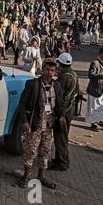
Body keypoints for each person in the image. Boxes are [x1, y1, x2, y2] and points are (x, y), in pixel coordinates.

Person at [18, 58, 67, 189]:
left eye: (52, 70)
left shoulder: (57, 86)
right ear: (42, 69)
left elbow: (60, 103)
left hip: (49, 125)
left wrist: (61, 115)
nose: (50, 72)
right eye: (47, 69)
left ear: (55, 71)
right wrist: (24, 120)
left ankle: (41, 176)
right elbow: (22, 104)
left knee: (45, 152)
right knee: (30, 151)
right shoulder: (32, 84)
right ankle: (26, 175)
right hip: (35, 124)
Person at [49, 53, 79, 171]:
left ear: (60, 64)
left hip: (63, 111)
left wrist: (57, 113)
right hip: (70, 109)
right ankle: (60, 159)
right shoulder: (74, 74)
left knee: (60, 137)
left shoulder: (64, 77)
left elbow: (58, 95)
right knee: (63, 136)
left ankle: (61, 163)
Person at [85, 47, 103, 131]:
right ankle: (93, 124)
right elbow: (91, 75)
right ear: (100, 54)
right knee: (94, 107)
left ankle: (101, 121)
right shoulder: (95, 63)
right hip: (95, 90)